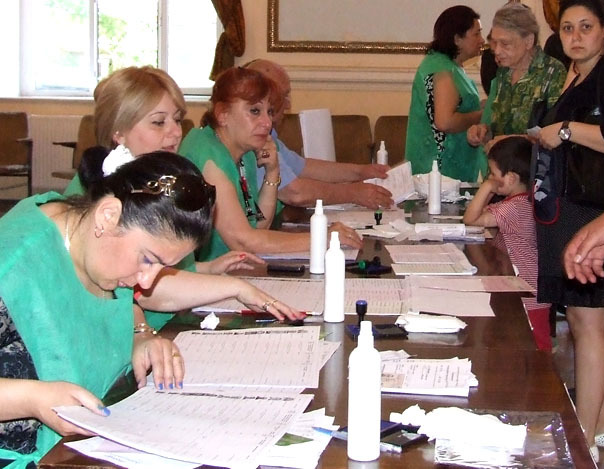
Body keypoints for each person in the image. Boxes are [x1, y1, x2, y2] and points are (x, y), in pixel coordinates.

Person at [0, 152, 213, 466]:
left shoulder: (96, 244)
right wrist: (33, 398)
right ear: (108, 215)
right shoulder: (12, 265)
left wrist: (139, 337)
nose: (147, 281)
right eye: (148, 260)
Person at [66, 66, 303, 329]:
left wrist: (206, 269)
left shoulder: (158, 180)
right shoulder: (98, 191)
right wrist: (234, 287)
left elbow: (158, 267)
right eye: (159, 122)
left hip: (172, 317)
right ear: (118, 132)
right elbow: (142, 289)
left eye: (177, 120)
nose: (176, 132)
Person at [531, 0, 604, 461]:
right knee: (589, 324)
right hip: (568, 208)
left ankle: (581, 440)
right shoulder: (576, 74)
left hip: (593, 212)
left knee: (589, 323)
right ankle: (599, 431)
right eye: (567, 28)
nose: (576, 36)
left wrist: (564, 129)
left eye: (586, 27)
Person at [179, 67, 362, 262]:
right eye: (255, 111)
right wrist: (322, 238)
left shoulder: (245, 152)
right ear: (222, 114)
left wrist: (272, 172)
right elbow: (243, 241)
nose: (267, 122)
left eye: (270, 111)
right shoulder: (207, 153)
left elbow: (259, 225)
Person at [244, 59, 394, 210]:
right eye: (283, 96)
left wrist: (362, 172)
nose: (288, 105)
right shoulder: (252, 140)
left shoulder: (269, 137)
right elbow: (295, 193)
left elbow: (303, 167)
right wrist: (353, 193)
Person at [463, 137, 551, 350]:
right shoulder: (517, 202)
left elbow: (471, 219)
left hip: (529, 292)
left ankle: (543, 369)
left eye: (493, 174)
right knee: (523, 340)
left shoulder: (515, 207)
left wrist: (487, 188)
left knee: (536, 344)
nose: (490, 179)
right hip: (522, 286)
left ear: (511, 178)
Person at [467, 3, 566, 153]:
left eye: (505, 44)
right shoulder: (503, 72)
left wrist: (508, 141)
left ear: (528, 41)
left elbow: (556, 134)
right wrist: (484, 132)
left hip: (533, 165)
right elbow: (500, 126)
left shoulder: (553, 72)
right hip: (501, 164)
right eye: (494, 42)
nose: (497, 51)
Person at [404, 5, 485, 182]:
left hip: (449, 170)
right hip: (440, 173)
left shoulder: (449, 66)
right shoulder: (441, 69)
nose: (482, 40)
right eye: (476, 34)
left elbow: (458, 106)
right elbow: (445, 122)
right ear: (457, 39)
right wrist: (482, 115)